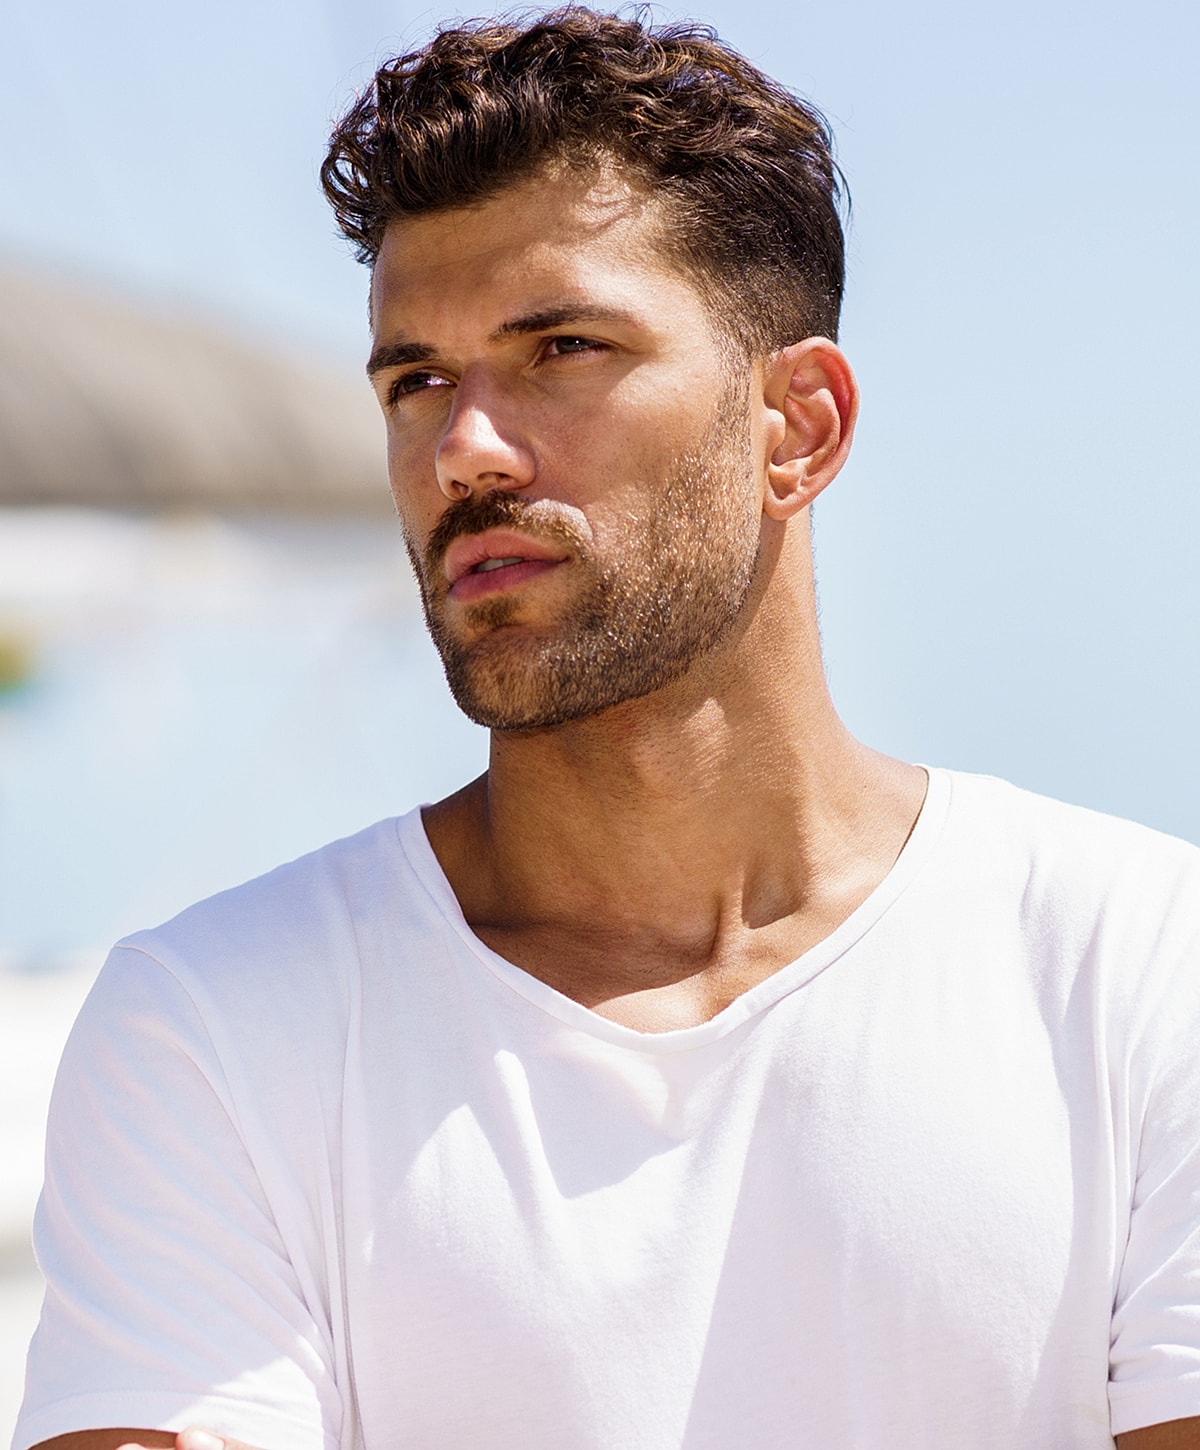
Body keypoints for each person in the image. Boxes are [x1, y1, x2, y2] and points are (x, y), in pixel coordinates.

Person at [14, 10, 1200, 1450]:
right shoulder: (214, 1028)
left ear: (798, 427)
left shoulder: (1141, 973)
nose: (465, 450)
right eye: (415, 379)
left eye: (560, 347)